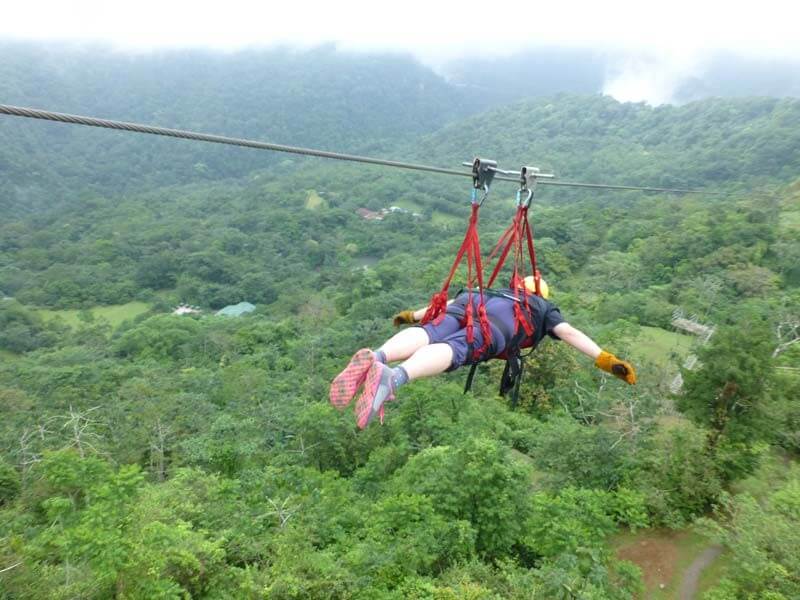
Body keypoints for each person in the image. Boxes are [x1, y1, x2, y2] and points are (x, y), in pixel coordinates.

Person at [329, 276, 636, 429]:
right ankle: (394, 378)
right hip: (499, 324)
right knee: (455, 348)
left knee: (430, 332)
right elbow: (568, 332)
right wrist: (606, 359)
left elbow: (438, 309)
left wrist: (410, 316)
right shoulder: (542, 308)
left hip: (474, 300)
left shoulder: (498, 289)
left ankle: (380, 356)